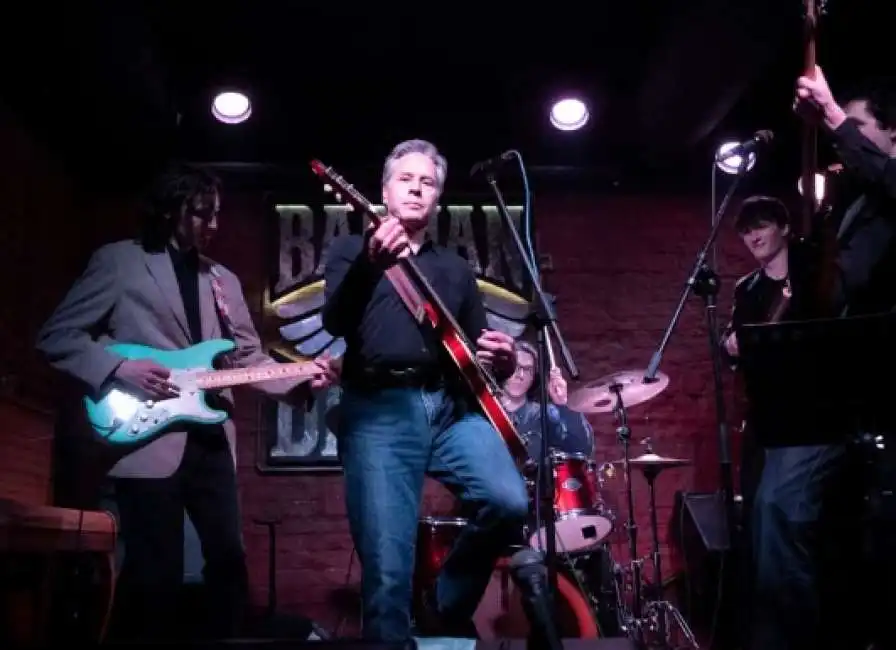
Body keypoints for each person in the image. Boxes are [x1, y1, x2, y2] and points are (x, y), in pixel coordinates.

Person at [35, 164, 336, 641]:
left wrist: (301, 382)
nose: (214, 225)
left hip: (211, 440)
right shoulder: (119, 262)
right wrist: (118, 368)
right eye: (202, 214)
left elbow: (248, 359)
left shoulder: (224, 281)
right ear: (170, 209)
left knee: (228, 567)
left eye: (217, 214)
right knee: (154, 575)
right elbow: (57, 336)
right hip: (145, 439)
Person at [322, 139, 529, 643]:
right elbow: (336, 320)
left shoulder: (454, 268)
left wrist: (502, 360)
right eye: (406, 179)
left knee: (508, 502)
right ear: (385, 192)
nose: (417, 188)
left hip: (450, 408)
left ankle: (444, 604)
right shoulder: (350, 250)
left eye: (428, 182)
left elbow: (479, 353)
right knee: (387, 566)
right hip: (379, 409)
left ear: (437, 199)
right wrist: (371, 263)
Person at [793, 69, 896, 650]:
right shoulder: (855, 198)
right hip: (846, 384)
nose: (849, 137)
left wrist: (834, 118)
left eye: (862, 127)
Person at [500, 340, 594, 460]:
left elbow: (582, 448)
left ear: (534, 377)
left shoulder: (545, 414)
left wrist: (564, 404)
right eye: (516, 367)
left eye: (528, 369)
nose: (521, 375)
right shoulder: (485, 410)